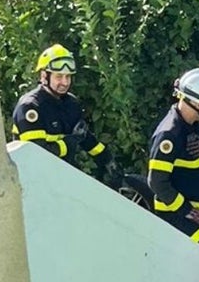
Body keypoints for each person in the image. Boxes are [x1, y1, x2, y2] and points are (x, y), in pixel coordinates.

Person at [10, 44, 121, 185]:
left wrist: (106, 158)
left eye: (68, 77)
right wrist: (68, 144)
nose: (65, 82)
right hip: (32, 181)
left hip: (62, 175)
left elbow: (83, 136)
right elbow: (37, 153)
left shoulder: (71, 103)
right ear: (44, 76)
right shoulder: (31, 107)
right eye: (59, 77)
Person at [147, 66, 199, 257]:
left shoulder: (197, 123)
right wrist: (188, 211)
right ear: (198, 103)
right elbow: (157, 182)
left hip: (195, 209)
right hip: (173, 214)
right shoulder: (169, 135)